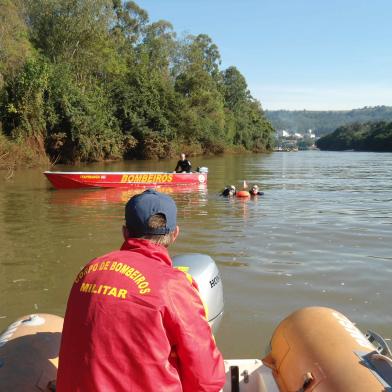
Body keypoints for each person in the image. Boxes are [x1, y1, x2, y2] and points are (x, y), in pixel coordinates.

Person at [57, 189, 225, 392]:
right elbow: (206, 381)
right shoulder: (174, 285)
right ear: (175, 234)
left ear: (125, 232)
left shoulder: (88, 270)